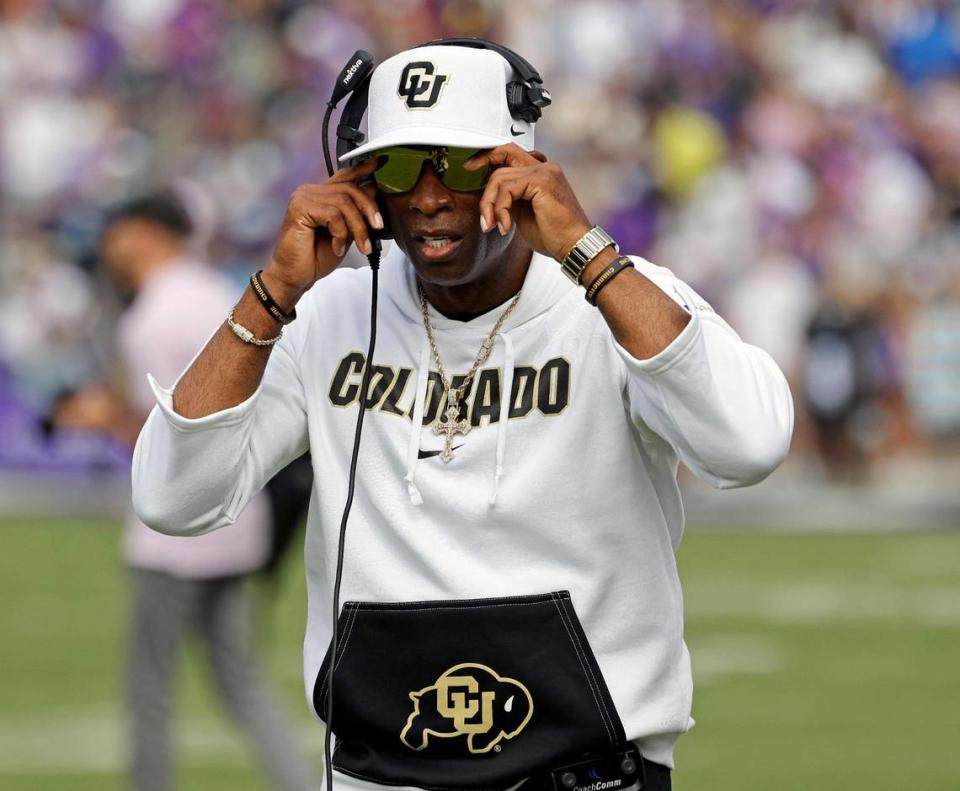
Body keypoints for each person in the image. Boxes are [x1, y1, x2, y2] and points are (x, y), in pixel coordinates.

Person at [132, 43, 793, 790]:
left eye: (456, 161)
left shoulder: (620, 298)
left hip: (582, 774)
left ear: (521, 165)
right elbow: (171, 498)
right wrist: (271, 293)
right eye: (401, 164)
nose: (427, 194)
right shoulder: (323, 315)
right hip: (375, 773)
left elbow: (750, 445)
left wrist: (589, 256)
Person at [54, 192, 316, 791]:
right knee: (242, 683)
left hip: (171, 538)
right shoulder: (220, 292)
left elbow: (167, 445)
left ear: (146, 232)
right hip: (236, 522)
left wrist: (104, 419)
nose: (109, 246)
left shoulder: (152, 315)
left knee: (149, 689)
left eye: (117, 231)